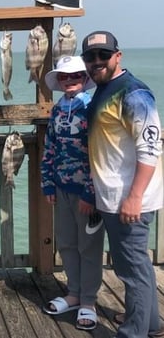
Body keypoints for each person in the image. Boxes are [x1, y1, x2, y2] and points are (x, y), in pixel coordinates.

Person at [81, 31, 163, 338]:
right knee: (134, 266)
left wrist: (135, 197)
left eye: (104, 55)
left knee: (132, 270)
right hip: (113, 197)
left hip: (130, 199)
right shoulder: (105, 88)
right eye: (90, 57)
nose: (97, 61)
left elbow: (150, 147)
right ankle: (150, 324)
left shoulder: (134, 93)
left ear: (118, 55)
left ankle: (133, 332)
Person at [41, 55, 104, 331]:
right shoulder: (57, 109)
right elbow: (50, 147)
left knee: (88, 247)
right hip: (61, 187)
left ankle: (89, 301)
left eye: (75, 75)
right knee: (66, 243)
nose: (70, 81)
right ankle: (74, 293)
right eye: (64, 77)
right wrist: (47, 183)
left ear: (84, 78)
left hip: (87, 192)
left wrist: (91, 193)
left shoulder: (93, 107)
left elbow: (99, 152)